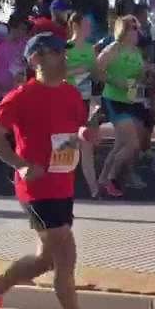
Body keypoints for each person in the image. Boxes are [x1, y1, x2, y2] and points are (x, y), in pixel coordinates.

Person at [0, 33, 110, 309]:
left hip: (62, 183)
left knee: (45, 259)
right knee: (65, 253)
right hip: (36, 187)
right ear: (35, 59)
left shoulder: (72, 94)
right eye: (54, 52)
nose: (62, 57)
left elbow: (74, 131)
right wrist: (20, 165)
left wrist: (87, 132)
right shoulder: (22, 96)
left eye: (63, 51)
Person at [97, 17, 151, 197]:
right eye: (132, 28)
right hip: (113, 99)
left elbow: (139, 79)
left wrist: (147, 74)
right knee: (132, 144)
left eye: (137, 28)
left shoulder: (136, 52)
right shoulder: (114, 48)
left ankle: (102, 179)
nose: (136, 32)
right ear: (124, 31)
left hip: (130, 100)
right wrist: (115, 81)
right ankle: (112, 179)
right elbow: (97, 70)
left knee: (120, 144)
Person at [64, 13, 101, 197]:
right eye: (86, 25)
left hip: (87, 101)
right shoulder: (65, 47)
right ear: (75, 26)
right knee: (67, 146)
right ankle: (62, 189)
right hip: (67, 101)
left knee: (87, 145)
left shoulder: (90, 48)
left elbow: (95, 73)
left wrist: (95, 72)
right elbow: (60, 72)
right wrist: (81, 69)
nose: (89, 29)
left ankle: (94, 189)